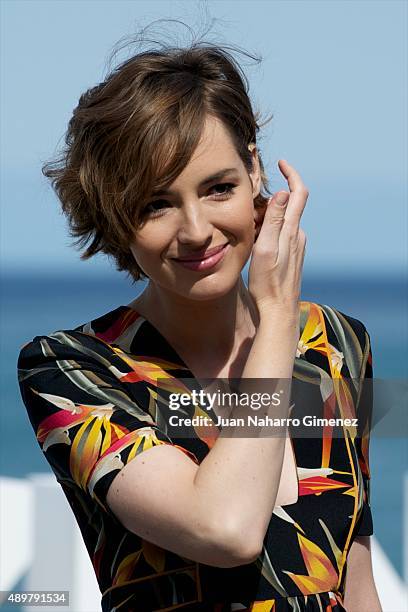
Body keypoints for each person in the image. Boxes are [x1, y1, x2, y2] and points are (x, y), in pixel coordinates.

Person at [17, 34, 382, 612]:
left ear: (255, 170)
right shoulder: (73, 370)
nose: (195, 230)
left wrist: (285, 326)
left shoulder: (339, 344)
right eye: (155, 204)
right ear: (113, 214)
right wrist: (278, 321)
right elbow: (226, 529)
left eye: (219, 188)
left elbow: (355, 579)